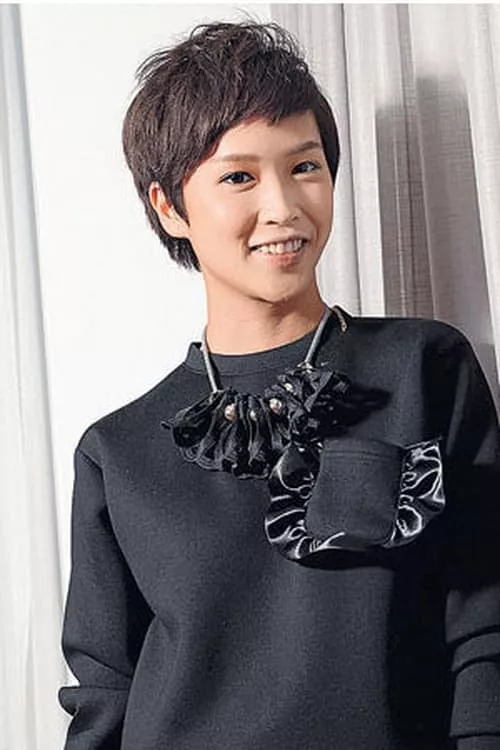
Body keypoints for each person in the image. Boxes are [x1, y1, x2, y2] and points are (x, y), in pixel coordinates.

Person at [58, 18, 500, 750]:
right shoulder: (117, 452)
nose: (284, 207)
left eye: (305, 167)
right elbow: (104, 697)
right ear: (169, 206)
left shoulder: (425, 367)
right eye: (239, 177)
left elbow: (484, 626)